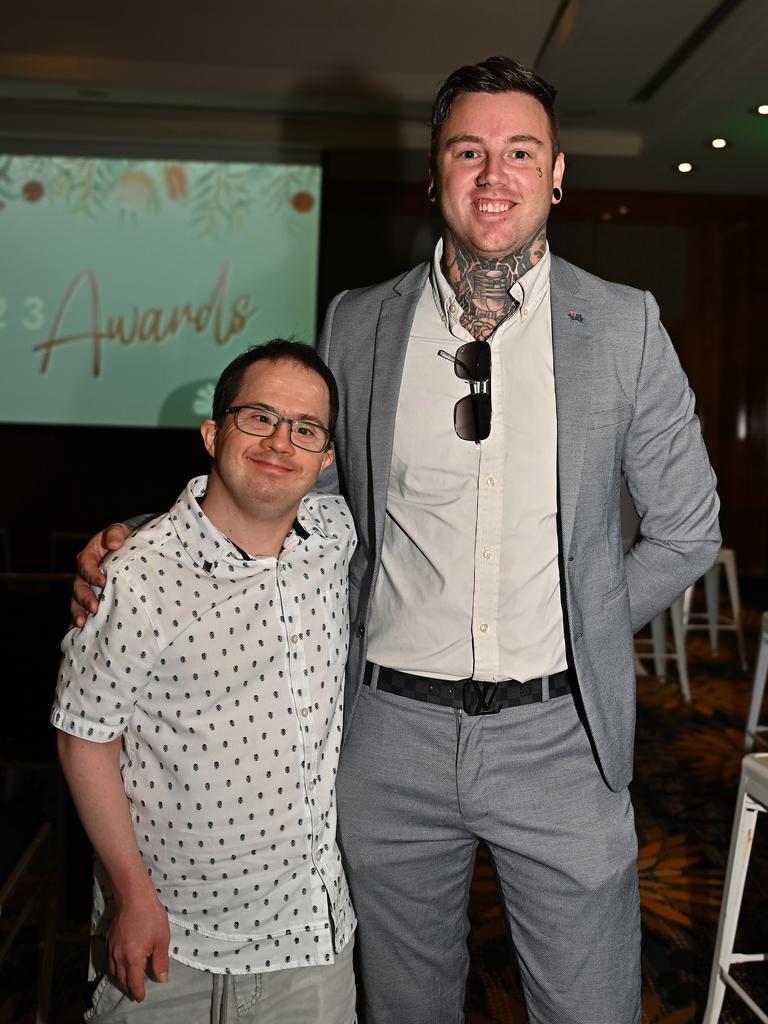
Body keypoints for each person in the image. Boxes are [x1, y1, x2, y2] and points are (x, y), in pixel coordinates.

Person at [73, 57, 721, 1024]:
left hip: (561, 734)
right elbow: (294, 478)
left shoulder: (624, 326)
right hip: (387, 736)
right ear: (435, 171)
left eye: (519, 151)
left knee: (589, 1005)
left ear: (556, 174)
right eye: (469, 150)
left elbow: (687, 530)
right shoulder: (359, 322)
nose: (492, 174)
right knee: (403, 1003)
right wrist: (149, 536)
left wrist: (579, 629)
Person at [55, 341, 357, 1023]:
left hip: (310, 944)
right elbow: (83, 738)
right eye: (259, 418)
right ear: (213, 433)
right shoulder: (135, 576)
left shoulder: (338, 538)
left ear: (326, 460)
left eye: (305, 429)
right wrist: (132, 897)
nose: (281, 442)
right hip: (171, 943)